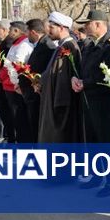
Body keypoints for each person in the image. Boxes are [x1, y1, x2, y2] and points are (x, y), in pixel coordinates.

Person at [73, 10, 110, 196]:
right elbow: (82, 69)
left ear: (98, 24)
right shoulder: (89, 45)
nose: (85, 27)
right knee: (93, 141)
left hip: (103, 100)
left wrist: (86, 82)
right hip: (88, 98)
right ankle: (97, 176)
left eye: (88, 23)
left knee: (106, 142)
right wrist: (76, 79)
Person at [38, 12, 85, 143]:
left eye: (52, 27)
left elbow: (64, 77)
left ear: (62, 28)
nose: (49, 31)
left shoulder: (70, 47)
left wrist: (59, 105)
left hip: (60, 105)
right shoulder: (61, 46)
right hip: (52, 100)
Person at [19, 19, 56, 143]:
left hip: (37, 94)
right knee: (33, 125)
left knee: (37, 126)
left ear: (34, 32)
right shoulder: (41, 44)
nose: (26, 35)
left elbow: (45, 69)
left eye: (28, 32)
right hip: (32, 93)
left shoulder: (47, 45)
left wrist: (37, 83)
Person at [0, 21, 33, 143]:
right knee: (14, 119)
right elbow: (8, 62)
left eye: (11, 30)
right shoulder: (16, 43)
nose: (9, 32)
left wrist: (1, 75)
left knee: (20, 119)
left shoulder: (23, 44)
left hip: (14, 85)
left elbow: (17, 66)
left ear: (17, 31)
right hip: (8, 85)